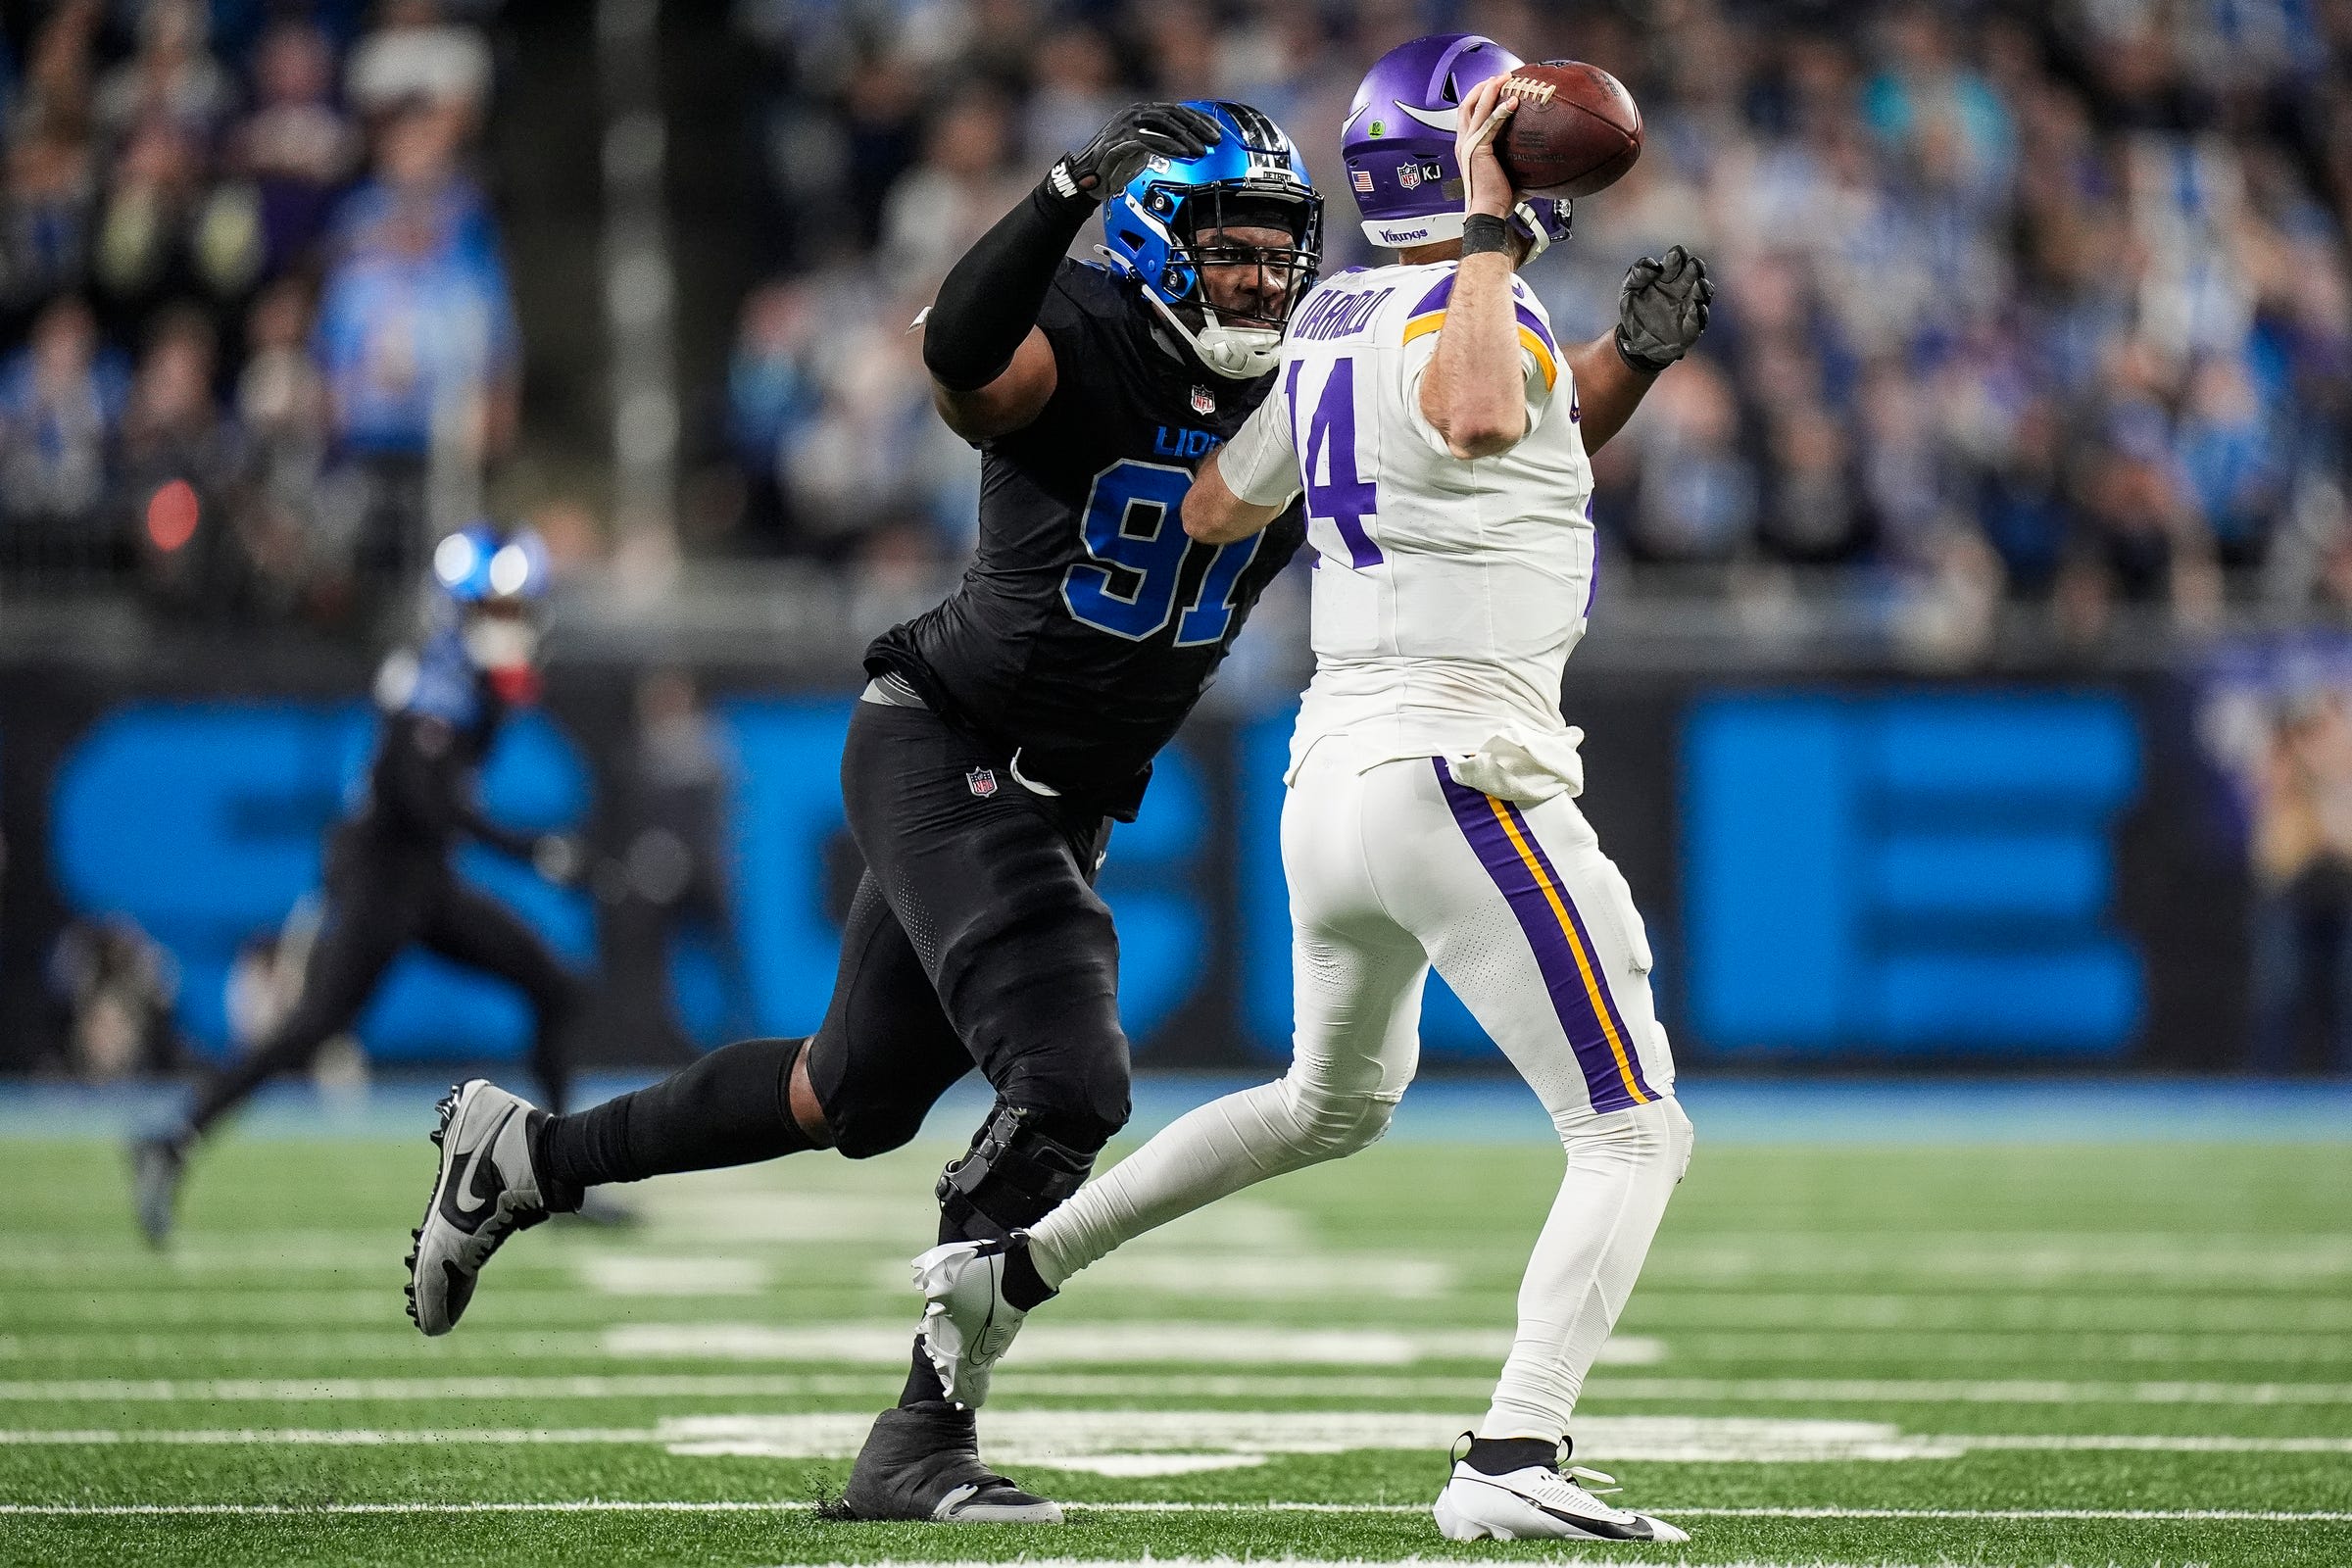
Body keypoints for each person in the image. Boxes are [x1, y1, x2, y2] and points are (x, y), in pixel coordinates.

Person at [403, 100, 1324, 1523]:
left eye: (1277, 253)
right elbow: (960, 361)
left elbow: (1497, 421)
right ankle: (922, 1439)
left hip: (1062, 794)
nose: (1261, 281)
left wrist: (1617, 356)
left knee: (851, 1094)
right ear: (1152, 237)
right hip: (950, 742)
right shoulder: (1084, 327)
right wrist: (1061, 189)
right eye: (1231, 250)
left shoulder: (1313, 378)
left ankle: (526, 1155)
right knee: (1069, 1079)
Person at [911, 35, 1713, 1545]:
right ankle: (1513, 1452)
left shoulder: (1336, 318)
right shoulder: (1465, 296)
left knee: (1325, 1105)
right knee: (1633, 1128)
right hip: (1459, 767)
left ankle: (1010, 1273)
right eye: (1498, 132)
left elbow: (1232, 500)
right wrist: (1490, 228)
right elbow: (1476, 417)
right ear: (1454, 157)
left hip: (1336, 773)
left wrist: (1623, 363)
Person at [131, 522, 591, 1246]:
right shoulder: (434, 682)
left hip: (422, 878)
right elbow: (428, 803)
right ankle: (171, 1139)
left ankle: (558, 1182)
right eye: (498, 610)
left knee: (553, 985)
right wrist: (532, 850)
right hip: (387, 882)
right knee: (313, 1027)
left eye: (516, 610)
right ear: (461, 609)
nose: (515, 625)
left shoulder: (469, 680)